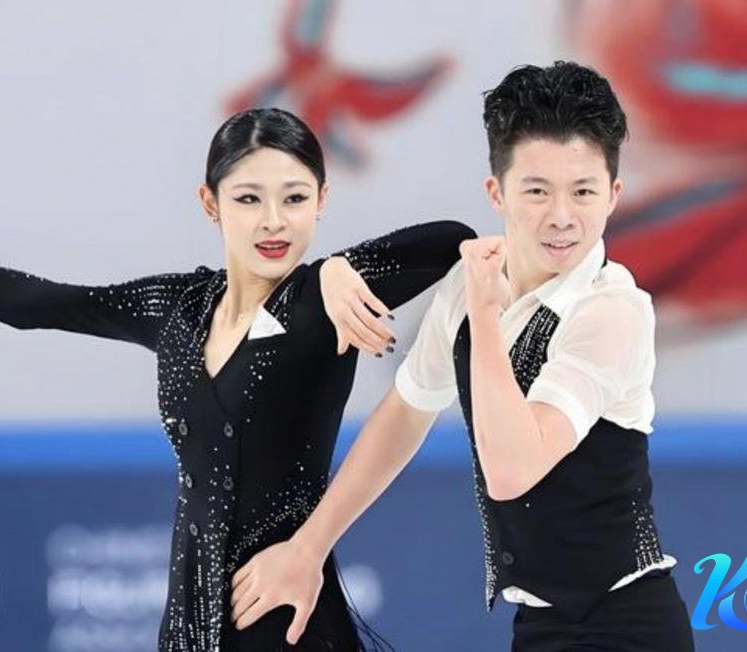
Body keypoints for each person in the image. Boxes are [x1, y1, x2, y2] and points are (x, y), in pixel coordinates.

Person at [0, 107, 475, 651]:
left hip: (280, 603)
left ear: (322, 201)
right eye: (248, 198)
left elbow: (453, 238)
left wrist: (337, 267)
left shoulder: (322, 302)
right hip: (189, 618)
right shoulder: (177, 308)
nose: (274, 221)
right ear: (210, 203)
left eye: (295, 198)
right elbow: (40, 303)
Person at [230, 63, 695, 651]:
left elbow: (512, 468)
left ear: (613, 195)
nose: (562, 216)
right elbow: (407, 411)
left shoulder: (613, 311)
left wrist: (483, 313)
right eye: (537, 191)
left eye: (583, 191)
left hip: (627, 626)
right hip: (541, 627)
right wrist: (308, 548)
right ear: (497, 193)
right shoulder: (469, 283)